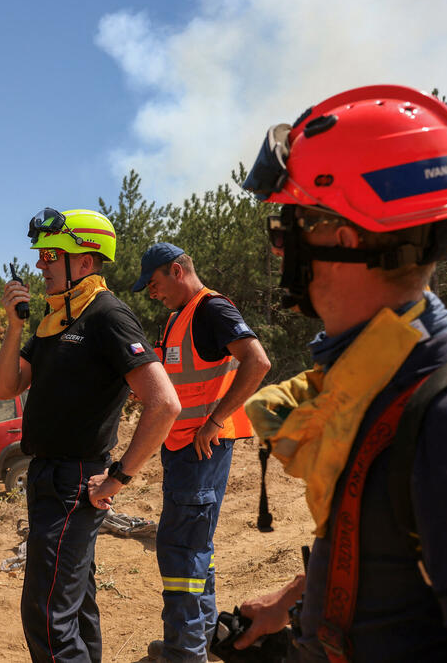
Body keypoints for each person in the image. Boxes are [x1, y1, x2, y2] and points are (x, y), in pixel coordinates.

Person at [235, 84, 447, 661]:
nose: (282, 247)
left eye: (295, 223)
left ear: (344, 237)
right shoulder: (381, 385)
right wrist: (296, 606)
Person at [0, 207, 181, 663]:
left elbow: (164, 403)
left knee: (46, 615)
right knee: (76, 607)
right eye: (40, 255)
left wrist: (119, 477)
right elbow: (6, 387)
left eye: (50, 254)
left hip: (76, 483)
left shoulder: (107, 315)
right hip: (45, 477)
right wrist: (16, 326)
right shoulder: (55, 319)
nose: (40, 264)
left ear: (84, 260)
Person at [132, 243, 270, 662]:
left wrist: (215, 420)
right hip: (182, 449)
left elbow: (258, 362)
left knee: (181, 552)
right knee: (193, 549)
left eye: (154, 284)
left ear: (177, 271)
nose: (152, 293)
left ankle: (185, 652)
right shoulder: (179, 317)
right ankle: (196, 642)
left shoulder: (212, 309)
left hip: (201, 448)